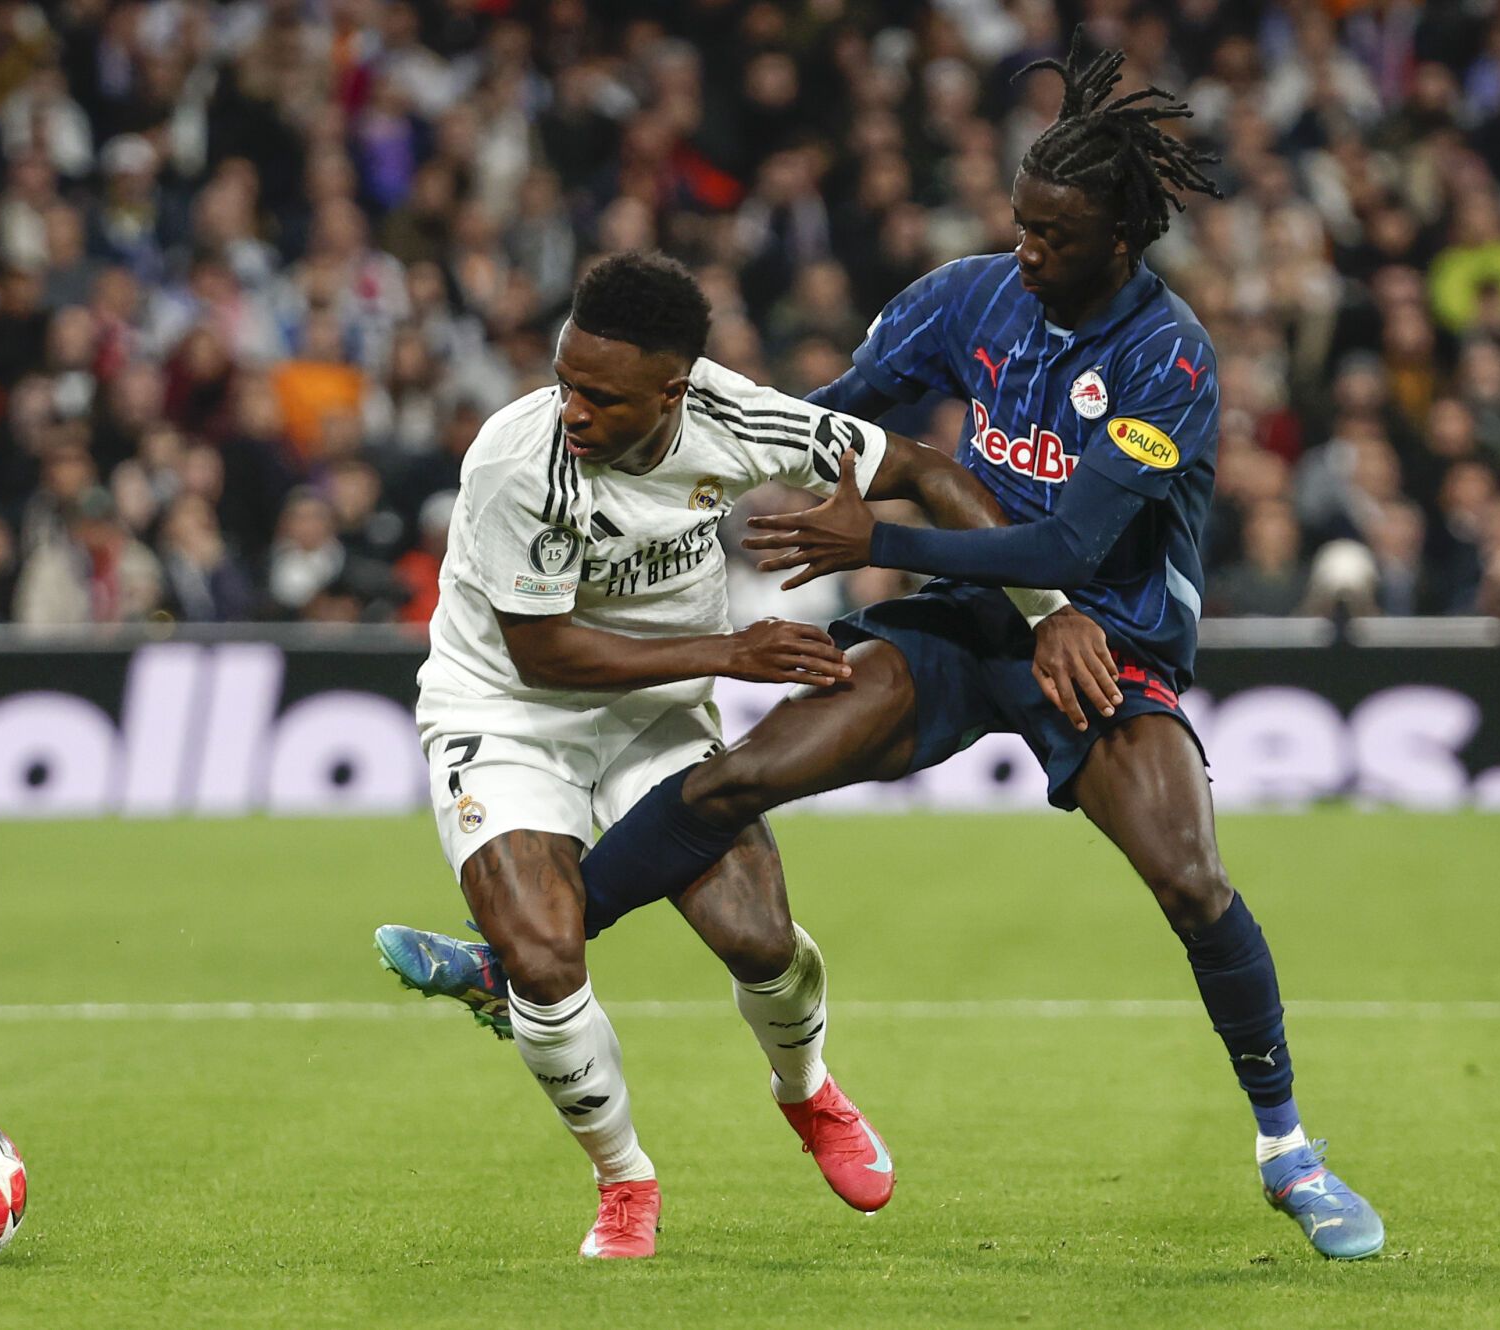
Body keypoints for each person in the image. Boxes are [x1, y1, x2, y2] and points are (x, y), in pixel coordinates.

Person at [392, 39, 1386, 1262]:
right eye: (1017, 225)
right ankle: (518, 971)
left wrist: (907, 541)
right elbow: (845, 415)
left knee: (1188, 879)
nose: (1023, 252)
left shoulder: (1166, 358)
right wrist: (751, 482)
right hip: (961, 631)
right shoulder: (967, 294)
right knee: (739, 777)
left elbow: (1070, 536)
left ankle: (1289, 1152)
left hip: (1105, 645)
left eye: (1051, 237)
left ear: (1118, 241)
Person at [376, 251, 1110, 1261]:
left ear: (672, 390)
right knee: (544, 960)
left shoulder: (740, 418)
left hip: (655, 713)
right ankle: (623, 1178)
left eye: (600, 394)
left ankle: (806, 1093)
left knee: (760, 940)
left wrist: (1050, 614)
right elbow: (540, 649)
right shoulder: (519, 460)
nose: (572, 410)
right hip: (504, 711)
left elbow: (930, 472)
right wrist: (732, 651)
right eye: (564, 380)